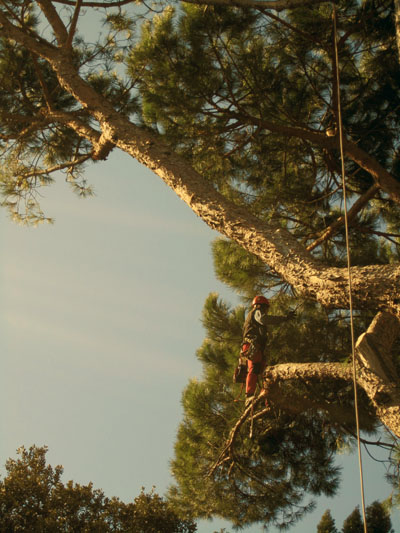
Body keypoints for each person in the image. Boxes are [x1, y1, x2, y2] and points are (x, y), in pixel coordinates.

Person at [242, 295, 294, 407]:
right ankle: (249, 396)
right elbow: (264, 319)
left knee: (266, 372)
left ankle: (266, 398)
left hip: (257, 347)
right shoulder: (256, 312)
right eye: (265, 308)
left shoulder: (254, 315)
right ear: (260, 305)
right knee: (255, 368)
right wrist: (284, 318)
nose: (265, 311)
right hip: (251, 345)